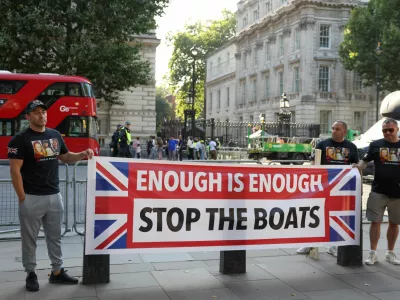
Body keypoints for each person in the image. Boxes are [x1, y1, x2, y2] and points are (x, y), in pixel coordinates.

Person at [8, 100, 94, 292]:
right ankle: (31, 273)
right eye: (36, 112)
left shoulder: (54, 135)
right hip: (31, 196)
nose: (41, 115)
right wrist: (23, 198)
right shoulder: (20, 139)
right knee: (29, 240)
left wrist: (81, 154)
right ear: (28, 117)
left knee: (55, 237)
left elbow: (65, 157)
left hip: (54, 195)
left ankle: (57, 271)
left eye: (43, 112)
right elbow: (14, 171)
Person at [297, 121, 359, 257]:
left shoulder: (351, 147)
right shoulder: (322, 144)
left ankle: (333, 245)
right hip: (323, 186)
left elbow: (356, 164)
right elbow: (313, 162)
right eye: (333, 128)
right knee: (315, 214)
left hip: (341, 188)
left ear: (344, 131)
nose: (334, 131)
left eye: (337, 129)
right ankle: (310, 243)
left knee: (335, 215)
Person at [354, 118, 400, 265]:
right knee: (375, 222)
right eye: (384, 130)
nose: (387, 133)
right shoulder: (376, 145)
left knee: (394, 223)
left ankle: (390, 253)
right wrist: (355, 168)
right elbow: (364, 162)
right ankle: (372, 253)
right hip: (378, 191)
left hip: (398, 193)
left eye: (390, 130)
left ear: (397, 129)